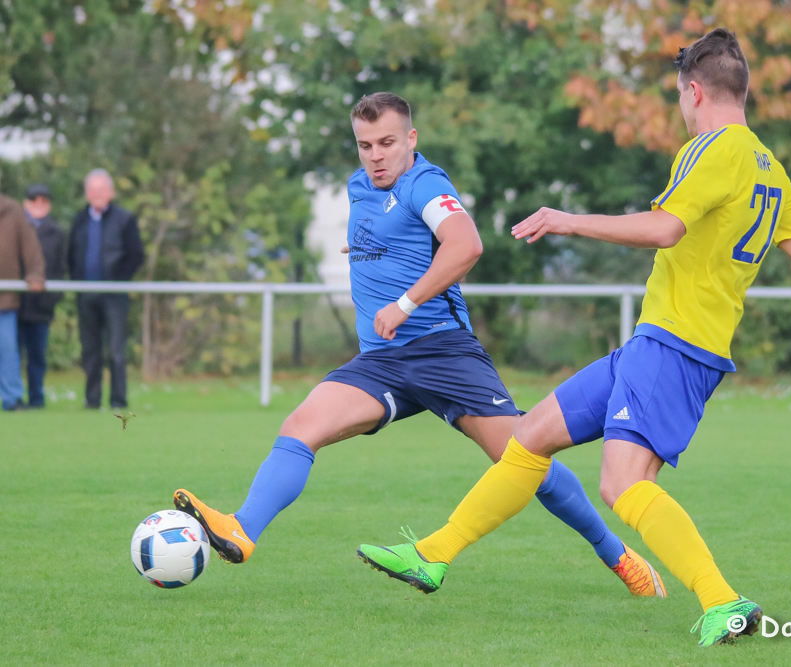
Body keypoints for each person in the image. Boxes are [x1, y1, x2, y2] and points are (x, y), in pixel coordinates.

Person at [358, 29, 791, 648]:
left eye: (680, 97)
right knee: (530, 436)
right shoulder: (768, 166)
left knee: (622, 484)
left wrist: (569, 220)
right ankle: (433, 555)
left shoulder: (711, 148)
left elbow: (665, 228)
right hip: (656, 344)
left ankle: (723, 600)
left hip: (676, 348)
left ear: (694, 92)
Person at [172, 92, 665, 598]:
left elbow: (466, 244)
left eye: (387, 143)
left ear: (411, 139)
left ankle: (617, 555)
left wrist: (404, 304)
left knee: (525, 458)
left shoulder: (425, 183)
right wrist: (368, 248)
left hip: (442, 353)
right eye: (365, 145)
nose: (376, 155)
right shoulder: (359, 186)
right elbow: (392, 235)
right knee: (301, 426)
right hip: (381, 361)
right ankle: (242, 529)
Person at [67, 169, 144, 409]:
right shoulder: (80, 220)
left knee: (116, 350)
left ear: (111, 192)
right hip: (86, 296)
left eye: (101, 189)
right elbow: (71, 255)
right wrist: (78, 282)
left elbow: (136, 255)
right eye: (92, 189)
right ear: (87, 193)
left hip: (114, 297)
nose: (97, 194)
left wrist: (118, 281)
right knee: (90, 350)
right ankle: (92, 400)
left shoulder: (125, 219)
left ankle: (118, 400)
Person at [18, 184, 66, 409]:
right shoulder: (15, 227)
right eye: (33, 200)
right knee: (11, 355)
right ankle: (13, 398)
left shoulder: (57, 233)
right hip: (16, 304)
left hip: (41, 307)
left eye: (43, 201)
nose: (38, 204)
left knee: (37, 356)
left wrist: (50, 300)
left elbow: (60, 269)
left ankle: (36, 398)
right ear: (25, 202)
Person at [0, 189, 46, 412]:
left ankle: (12, 398)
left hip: (5, 298)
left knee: (7, 348)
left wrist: (36, 274)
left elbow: (30, 245)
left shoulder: (12, 211)